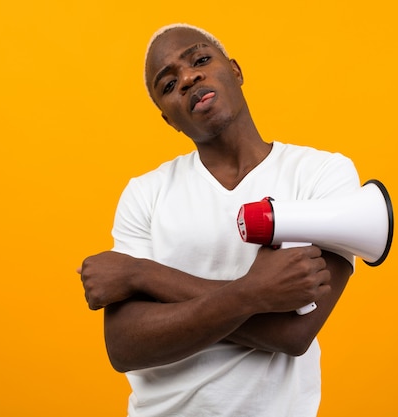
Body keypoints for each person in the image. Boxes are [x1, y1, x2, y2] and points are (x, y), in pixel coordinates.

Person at [78, 23, 360, 417]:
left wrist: (143, 274)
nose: (189, 78)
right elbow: (125, 346)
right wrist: (256, 293)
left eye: (200, 60)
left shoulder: (322, 175)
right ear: (168, 120)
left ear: (236, 70)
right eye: (167, 84)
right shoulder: (144, 194)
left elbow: (294, 333)